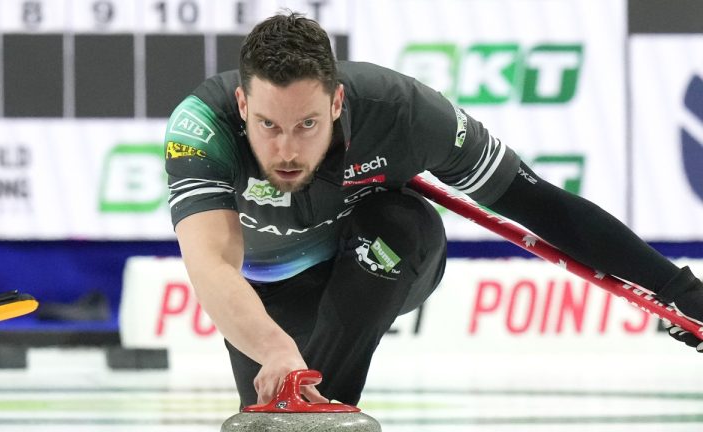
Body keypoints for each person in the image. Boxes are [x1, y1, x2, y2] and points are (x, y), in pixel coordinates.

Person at [162, 12, 703, 407]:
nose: (286, 150)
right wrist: (275, 348)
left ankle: (328, 412)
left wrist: (679, 290)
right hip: (267, 293)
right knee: (267, 399)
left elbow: (540, 205)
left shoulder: (403, 113)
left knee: (400, 224)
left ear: (337, 101)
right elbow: (212, 266)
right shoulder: (202, 127)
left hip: (375, 263)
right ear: (242, 106)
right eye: (268, 125)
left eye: (308, 124)